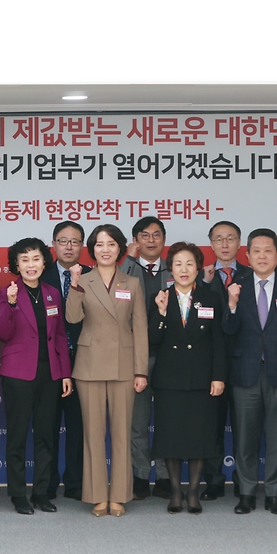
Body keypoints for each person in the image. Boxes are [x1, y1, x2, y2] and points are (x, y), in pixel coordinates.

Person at [223, 228, 277, 515]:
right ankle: (246, 492)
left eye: (268, 250)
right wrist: (232, 306)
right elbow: (227, 332)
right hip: (245, 374)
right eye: (256, 251)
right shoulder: (237, 286)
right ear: (246, 256)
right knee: (245, 438)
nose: (262, 256)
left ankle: (273, 493)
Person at [65, 224, 148, 517]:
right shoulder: (82, 280)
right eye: (99, 244)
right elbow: (72, 318)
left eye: (111, 244)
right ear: (92, 249)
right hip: (89, 365)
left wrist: (141, 371)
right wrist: (74, 286)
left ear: (120, 248)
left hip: (124, 365)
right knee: (93, 434)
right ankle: (98, 495)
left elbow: (140, 328)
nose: (105, 249)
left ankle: (120, 494)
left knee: (122, 433)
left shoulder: (132, 283)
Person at [0, 238, 73, 515]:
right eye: (24, 260)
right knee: (17, 436)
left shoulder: (53, 293)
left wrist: (65, 373)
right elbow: (2, 333)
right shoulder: (8, 292)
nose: (31, 265)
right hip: (18, 374)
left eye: (36, 259)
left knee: (45, 436)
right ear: (16, 264)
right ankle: (18, 493)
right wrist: (12, 305)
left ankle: (41, 492)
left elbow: (61, 337)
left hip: (50, 373)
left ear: (44, 262)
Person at [150, 242, 227, 515]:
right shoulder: (160, 297)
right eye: (178, 264)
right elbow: (151, 340)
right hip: (169, 378)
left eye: (190, 264)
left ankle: (193, 493)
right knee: (170, 438)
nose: (184, 270)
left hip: (201, 378)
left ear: (198, 268)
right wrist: (160, 314)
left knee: (198, 438)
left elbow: (219, 342)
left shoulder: (212, 298)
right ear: (170, 268)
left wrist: (218, 377)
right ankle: (175, 492)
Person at [120, 216, 174, 500]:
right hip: (135, 357)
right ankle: (140, 475)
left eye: (156, 235)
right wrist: (129, 258)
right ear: (136, 241)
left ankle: (165, 476)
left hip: (169, 357)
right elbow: (117, 291)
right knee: (137, 422)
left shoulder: (175, 268)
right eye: (145, 235)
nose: (151, 240)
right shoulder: (127, 270)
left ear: (164, 240)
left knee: (166, 420)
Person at [199, 220, 250, 499]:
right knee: (212, 426)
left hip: (245, 361)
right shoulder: (201, 277)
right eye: (219, 239)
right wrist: (204, 283)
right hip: (210, 364)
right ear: (211, 244)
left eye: (230, 238)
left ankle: (244, 482)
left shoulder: (254, 275)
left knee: (245, 427)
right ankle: (214, 480)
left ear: (240, 243)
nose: (225, 244)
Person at [40, 220, 90, 501]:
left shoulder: (94, 277)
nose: (69, 246)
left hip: (84, 364)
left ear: (82, 246)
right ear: (54, 245)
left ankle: (76, 483)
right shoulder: (38, 276)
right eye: (63, 241)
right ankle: (47, 484)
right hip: (48, 366)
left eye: (75, 241)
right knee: (47, 427)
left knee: (79, 427)